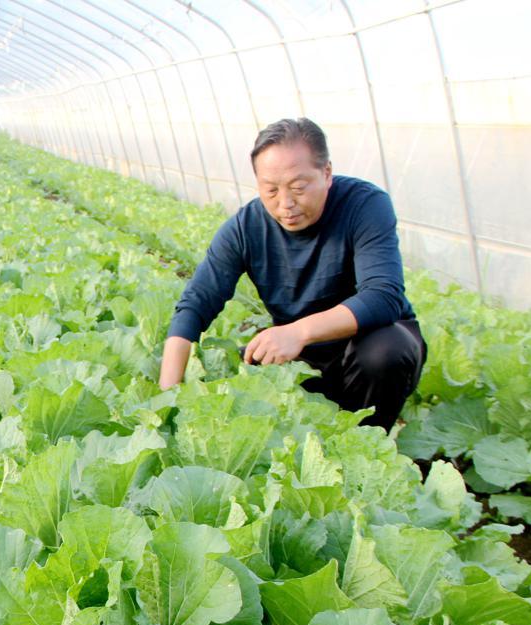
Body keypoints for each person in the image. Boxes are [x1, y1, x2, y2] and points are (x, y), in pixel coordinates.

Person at [157, 117, 427, 431]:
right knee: (225, 375)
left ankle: (370, 443)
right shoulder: (246, 228)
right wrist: (168, 397)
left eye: (298, 188)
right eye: (270, 191)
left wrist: (298, 332)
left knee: (385, 352)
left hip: (363, 348)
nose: (285, 204)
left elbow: (383, 295)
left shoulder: (364, 205)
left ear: (326, 173)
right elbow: (196, 303)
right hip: (301, 359)